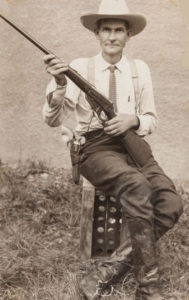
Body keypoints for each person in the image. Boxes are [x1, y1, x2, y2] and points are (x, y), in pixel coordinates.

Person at [42, 0, 183, 299]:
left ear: (128, 35)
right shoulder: (79, 68)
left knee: (171, 203)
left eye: (119, 30)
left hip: (133, 144)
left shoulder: (139, 70)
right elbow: (52, 119)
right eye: (106, 29)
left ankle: (106, 270)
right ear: (97, 32)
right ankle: (148, 287)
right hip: (95, 148)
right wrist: (58, 83)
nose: (112, 36)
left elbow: (151, 119)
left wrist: (132, 119)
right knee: (137, 184)